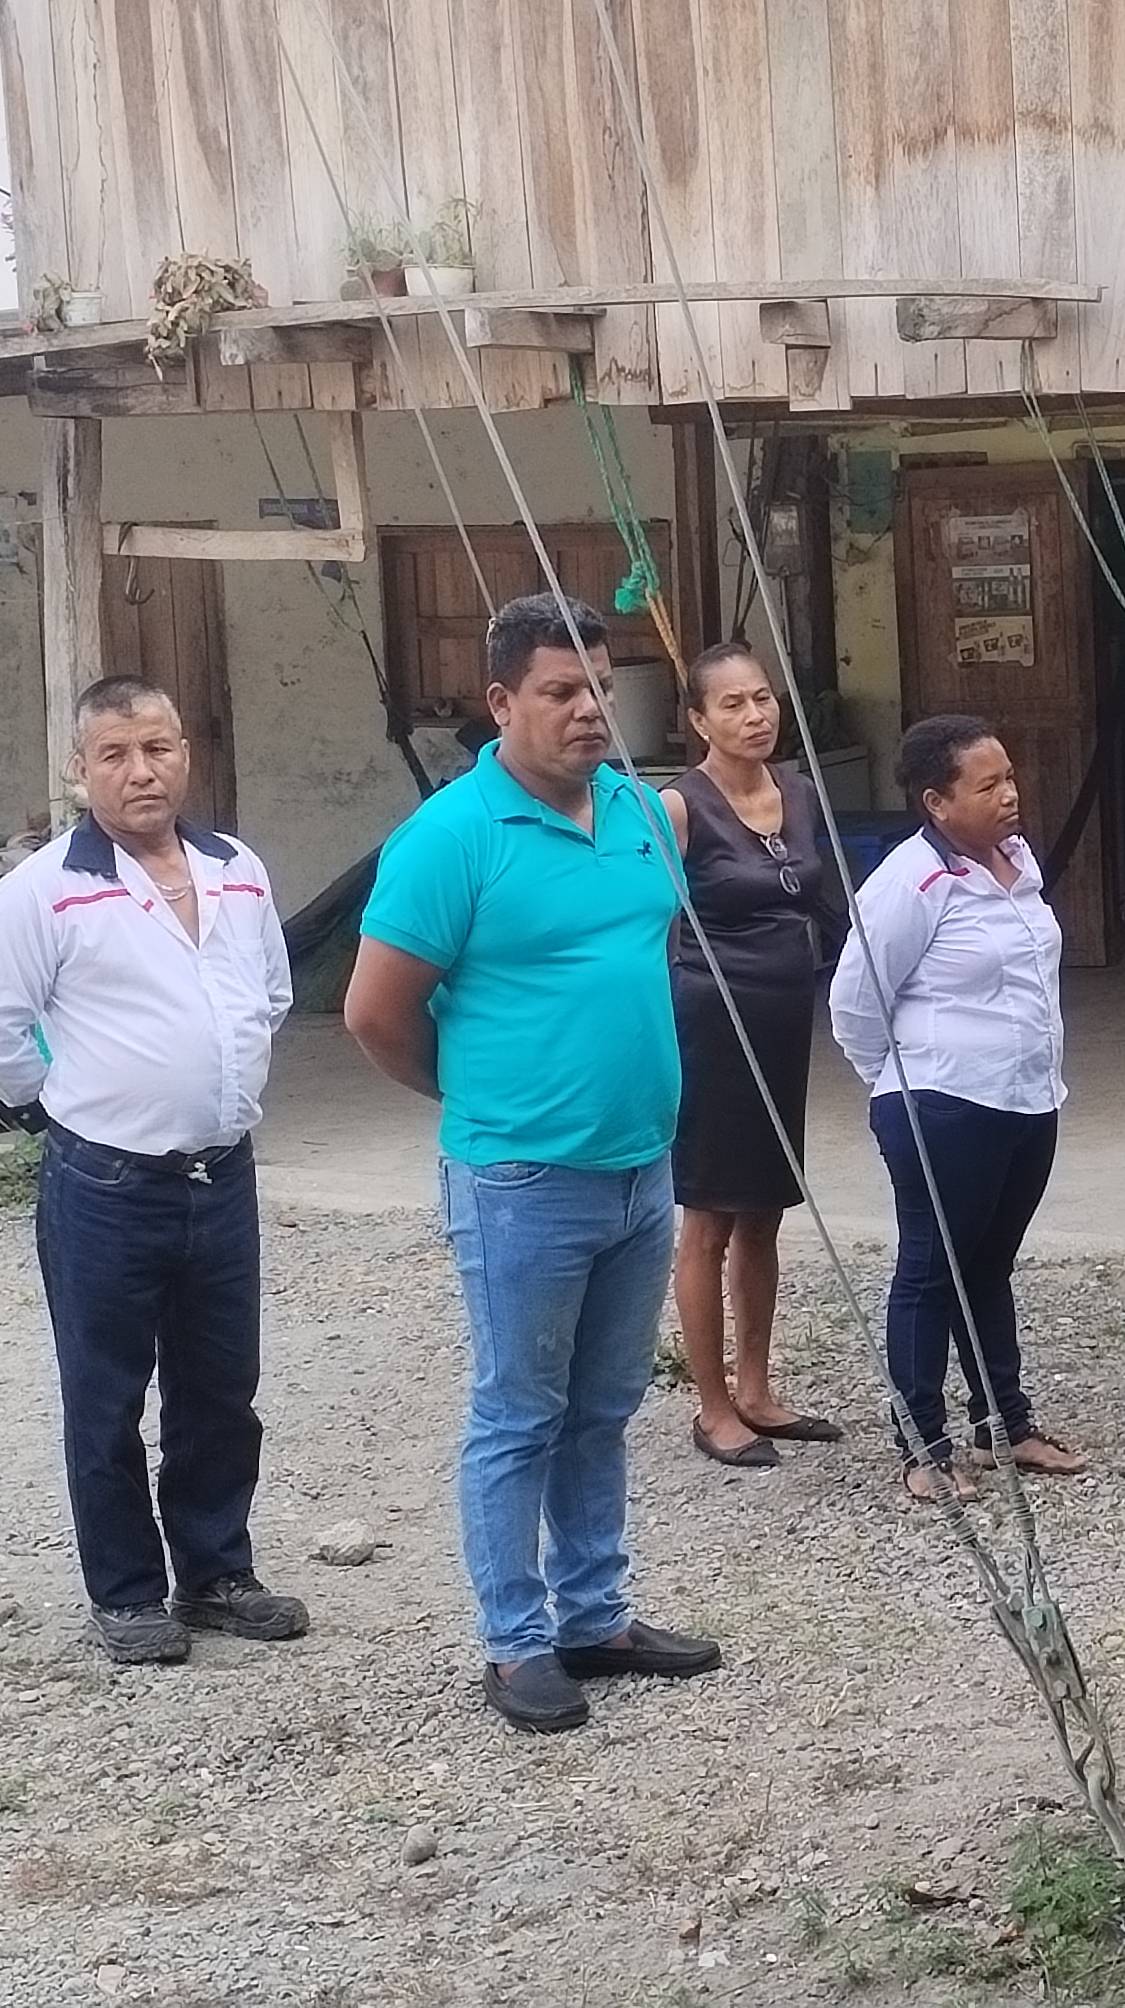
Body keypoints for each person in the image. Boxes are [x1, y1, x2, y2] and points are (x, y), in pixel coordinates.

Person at [347, 594, 724, 1733]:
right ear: (501, 701)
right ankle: (515, 1641)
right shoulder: (450, 838)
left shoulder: (645, 813)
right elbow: (375, 1015)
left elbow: (645, 952)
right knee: (520, 1411)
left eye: (601, 687)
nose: (588, 710)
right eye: (561, 691)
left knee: (603, 1406)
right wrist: (484, 1095)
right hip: (521, 1179)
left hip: (641, 1167)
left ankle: (595, 1614)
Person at [0, 675, 308, 1665]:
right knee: (106, 1396)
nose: (141, 771)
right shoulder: (42, 890)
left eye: (158, 747)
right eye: (115, 753)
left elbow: (269, 994)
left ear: (185, 753)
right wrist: (62, 1102)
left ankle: (217, 1571)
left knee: (221, 1386)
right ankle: (126, 1593)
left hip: (221, 1177)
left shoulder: (236, 869)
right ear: (80, 770)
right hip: (107, 1186)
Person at [834, 715, 1087, 1503]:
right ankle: (923, 1444)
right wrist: (901, 1084)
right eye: (988, 786)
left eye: (1009, 777)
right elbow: (854, 1002)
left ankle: (1004, 1423)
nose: (1010, 794)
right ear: (937, 802)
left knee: (988, 1264)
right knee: (930, 1269)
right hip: (943, 1104)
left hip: (1027, 1097)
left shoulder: (1018, 860)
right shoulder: (910, 882)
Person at [663, 641, 852, 1470]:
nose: (755, 716)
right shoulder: (679, 807)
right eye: (733, 704)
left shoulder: (799, 792)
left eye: (763, 698)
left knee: (765, 1209)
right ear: (699, 720)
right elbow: (646, 921)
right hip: (711, 1020)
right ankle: (711, 1405)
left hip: (783, 1019)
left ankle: (757, 1386)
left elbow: (827, 902)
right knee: (709, 1214)